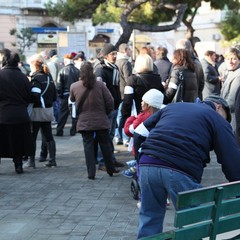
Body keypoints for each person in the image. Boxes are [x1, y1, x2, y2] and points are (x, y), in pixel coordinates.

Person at [134, 95, 240, 239]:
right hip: (179, 168)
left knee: (150, 216)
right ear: (219, 107)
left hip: (148, 164)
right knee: (195, 221)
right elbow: (230, 158)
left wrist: (140, 162)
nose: (225, 120)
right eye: (225, 117)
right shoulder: (216, 118)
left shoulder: (173, 106)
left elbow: (139, 132)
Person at [69, 62, 119, 179]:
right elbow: (110, 101)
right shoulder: (100, 85)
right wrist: (105, 113)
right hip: (101, 120)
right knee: (105, 145)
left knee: (88, 146)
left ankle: (91, 173)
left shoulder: (74, 86)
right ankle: (110, 170)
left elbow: (72, 102)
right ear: (92, 71)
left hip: (84, 121)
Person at [0, 49, 34, 173]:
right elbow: (29, 96)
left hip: (3, 115)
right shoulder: (23, 78)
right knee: (18, 143)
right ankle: (18, 166)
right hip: (20, 115)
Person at [93, 43, 124, 169]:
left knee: (110, 135)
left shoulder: (114, 68)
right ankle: (102, 161)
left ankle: (111, 159)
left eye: (116, 53)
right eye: (112, 54)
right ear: (105, 56)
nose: (115, 56)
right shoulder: (100, 69)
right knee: (104, 136)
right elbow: (101, 90)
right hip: (106, 109)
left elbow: (116, 87)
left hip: (114, 107)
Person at [24, 53, 57, 168]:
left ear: (34, 65)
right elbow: (55, 96)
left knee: (32, 137)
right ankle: (52, 160)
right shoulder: (49, 77)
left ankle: (31, 161)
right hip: (48, 110)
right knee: (49, 136)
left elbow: (35, 96)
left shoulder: (35, 78)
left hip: (36, 111)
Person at [122, 89, 164, 178]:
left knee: (140, 167)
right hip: (157, 152)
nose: (141, 103)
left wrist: (131, 118)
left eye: (143, 101)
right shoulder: (163, 114)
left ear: (148, 104)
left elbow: (128, 131)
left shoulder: (142, 117)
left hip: (141, 149)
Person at [121, 53, 164, 123]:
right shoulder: (158, 79)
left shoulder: (132, 80)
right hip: (154, 117)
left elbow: (127, 101)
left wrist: (125, 118)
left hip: (137, 118)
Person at [56, 53, 80, 136]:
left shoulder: (62, 70)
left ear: (65, 61)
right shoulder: (77, 70)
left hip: (65, 94)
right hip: (76, 95)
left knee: (63, 114)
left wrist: (60, 94)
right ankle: (73, 130)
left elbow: (59, 85)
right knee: (74, 113)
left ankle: (59, 130)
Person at [115, 43, 133, 146]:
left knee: (119, 116)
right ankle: (125, 137)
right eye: (130, 50)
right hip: (125, 93)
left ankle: (117, 136)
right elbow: (128, 80)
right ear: (125, 51)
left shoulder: (116, 61)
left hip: (118, 92)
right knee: (125, 115)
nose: (131, 52)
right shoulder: (126, 63)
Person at [220, 47, 240, 133]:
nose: (230, 61)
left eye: (234, 59)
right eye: (228, 59)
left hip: (233, 119)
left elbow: (231, 102)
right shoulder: (230, 73)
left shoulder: (238, 76)